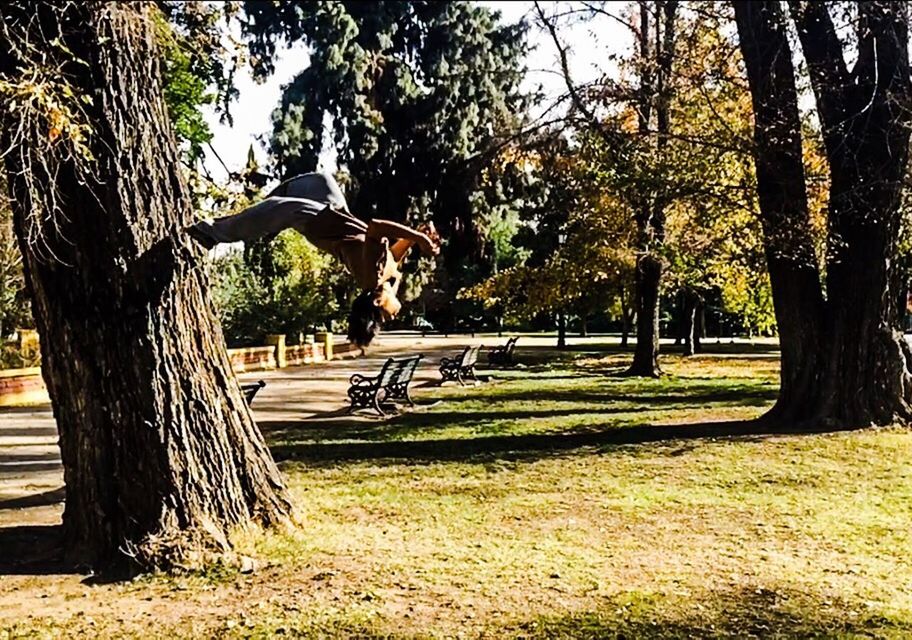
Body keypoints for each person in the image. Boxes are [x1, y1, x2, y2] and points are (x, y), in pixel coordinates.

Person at [187, 172, 441, 348]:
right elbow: (395, 254)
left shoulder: (370, 276)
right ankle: (270, 214)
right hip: (336, 211)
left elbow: (375, 227)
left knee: (279, 209)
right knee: (321, 180)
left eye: (384, 317)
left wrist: (418, 237)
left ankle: (208, 233)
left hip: (317, 222)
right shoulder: (387, 277)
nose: (392, 317)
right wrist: (420, 235)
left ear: (376, 301)